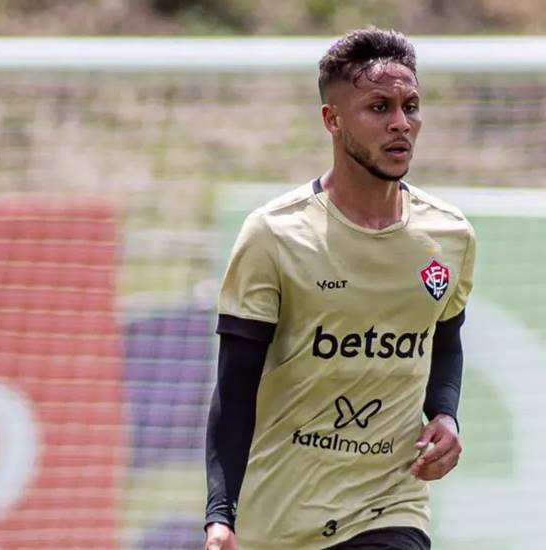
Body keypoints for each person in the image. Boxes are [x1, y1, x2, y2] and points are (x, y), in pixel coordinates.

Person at [204, 26, 476, 550]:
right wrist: (220, 515)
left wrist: (445, 414)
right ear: (332, 120)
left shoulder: (449, 235)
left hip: (389, 505)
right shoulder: (274, 234)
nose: (401, 123)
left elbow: (445, 340)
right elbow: (234, 391)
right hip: (280, 516)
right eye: (379, 107)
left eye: (411, 106)